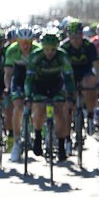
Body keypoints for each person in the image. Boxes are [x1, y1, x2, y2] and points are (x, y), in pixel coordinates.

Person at [25, 30, 76, 162]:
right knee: (39, 109)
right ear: (42, 47)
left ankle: (61, 146)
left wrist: (70, 96)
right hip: (39, 85)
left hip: (56, 85)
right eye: (47, 49)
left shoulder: (62, 56)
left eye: (53, 50)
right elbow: (29, 79)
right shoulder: (35, 56)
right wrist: (28, 96)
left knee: (60, 112)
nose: (50, 53)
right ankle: (37, 136)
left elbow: (69, 78)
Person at [4, 27, 42, 161]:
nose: (25, 45)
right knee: (18, 107)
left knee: (37, 106)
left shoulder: (38, 50)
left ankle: (38, 131)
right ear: (18, 41)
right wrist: (8, 88)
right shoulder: (11, 50)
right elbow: (8, 73)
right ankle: (16, 142)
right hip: (18, 79)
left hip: (34, 79)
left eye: (28, 42)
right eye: (22, 42)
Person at [60, 18, 99, 134]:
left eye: (78, 37)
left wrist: (97, 81)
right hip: (70, 73)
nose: (76, 41)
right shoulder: (64, 47)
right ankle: (67, 137)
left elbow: (96, 64)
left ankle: (90, 116)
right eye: (72, 37)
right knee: (68, 105)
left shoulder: (89, 45)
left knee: (89, 86)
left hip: (85, 72)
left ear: (82, 35)